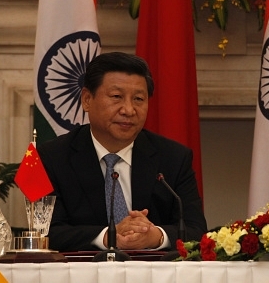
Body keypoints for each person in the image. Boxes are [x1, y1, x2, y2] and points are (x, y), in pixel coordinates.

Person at [38, 52, 207, 252]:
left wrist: (155, 236)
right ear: (87, 99)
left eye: (138, 99)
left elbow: (196, 229)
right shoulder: (52, 157)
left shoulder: (173, 158)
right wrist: (109, 236)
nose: (128, 109)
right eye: (117, 97)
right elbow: (45, 232)